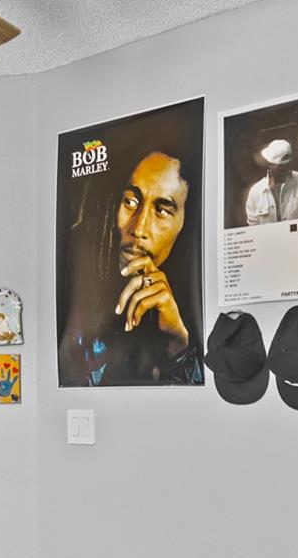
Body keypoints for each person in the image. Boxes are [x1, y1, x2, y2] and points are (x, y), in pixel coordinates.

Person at [59, 151, 203, 386]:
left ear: (184, 224)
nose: (139, 228)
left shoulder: (190, 300)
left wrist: (179, 344)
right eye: (130, 202)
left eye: (162, 211)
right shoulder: (69, 264)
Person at [243, 138, 298, 224]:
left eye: (285, 166)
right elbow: (253, 224)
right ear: (268, 165)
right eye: (277, 166)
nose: (283, 170)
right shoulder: (255, 191)